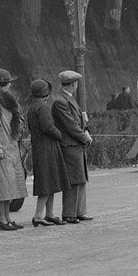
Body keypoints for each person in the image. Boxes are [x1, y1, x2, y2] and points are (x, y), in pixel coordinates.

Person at [0, 68, 28, 231]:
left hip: (9, 145)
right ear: (6, 84)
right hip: (1, 146)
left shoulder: (1, 99)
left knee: (8, 184)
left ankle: (7, 217)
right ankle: (1, 218)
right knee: (1, 184)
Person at [53, 70, 93, 224]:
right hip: (70, 144)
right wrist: (85, 137)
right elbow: (70, 125)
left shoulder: (66, 99)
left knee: (80, 178)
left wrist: (85, 131)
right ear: (73, 84)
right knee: (74, 179)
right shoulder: (60, 101)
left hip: (76, 144)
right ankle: (69, 213)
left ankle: (79, 211)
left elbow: (77, 121)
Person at [26, 79, 68, 227]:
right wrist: (60, 134)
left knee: (50, 182)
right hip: (48, 148)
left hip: (39, 147)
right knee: (47, 182)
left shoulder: (32, 107)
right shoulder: (42, 108)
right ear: (45, 93)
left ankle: (49, 214)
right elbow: (48, 127)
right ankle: (38, 215)